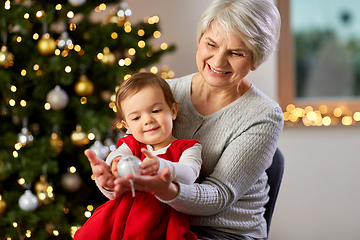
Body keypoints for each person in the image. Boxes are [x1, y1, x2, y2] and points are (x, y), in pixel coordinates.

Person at [86, 0, 283, 239]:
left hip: (223, 231)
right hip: (155, 222)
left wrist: (168, 191)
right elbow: (133, 162)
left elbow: (219, 195)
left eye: (236, 53)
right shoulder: (164, 94)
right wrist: (110, 181)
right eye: (211, 44)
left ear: (255, 59)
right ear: (200, 40)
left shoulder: (264, 115)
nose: (218, 61)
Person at [74, 72, 202, 240]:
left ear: (172, 111)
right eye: (136, 117)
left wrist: (162, 166)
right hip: (121, 216)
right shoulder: (132, 145)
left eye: (155, 110)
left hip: (163, 221)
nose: (147, 120)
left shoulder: (188, 147)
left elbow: (189, 174)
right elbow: (117, 155)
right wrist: (113, 164)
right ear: (127, 126)